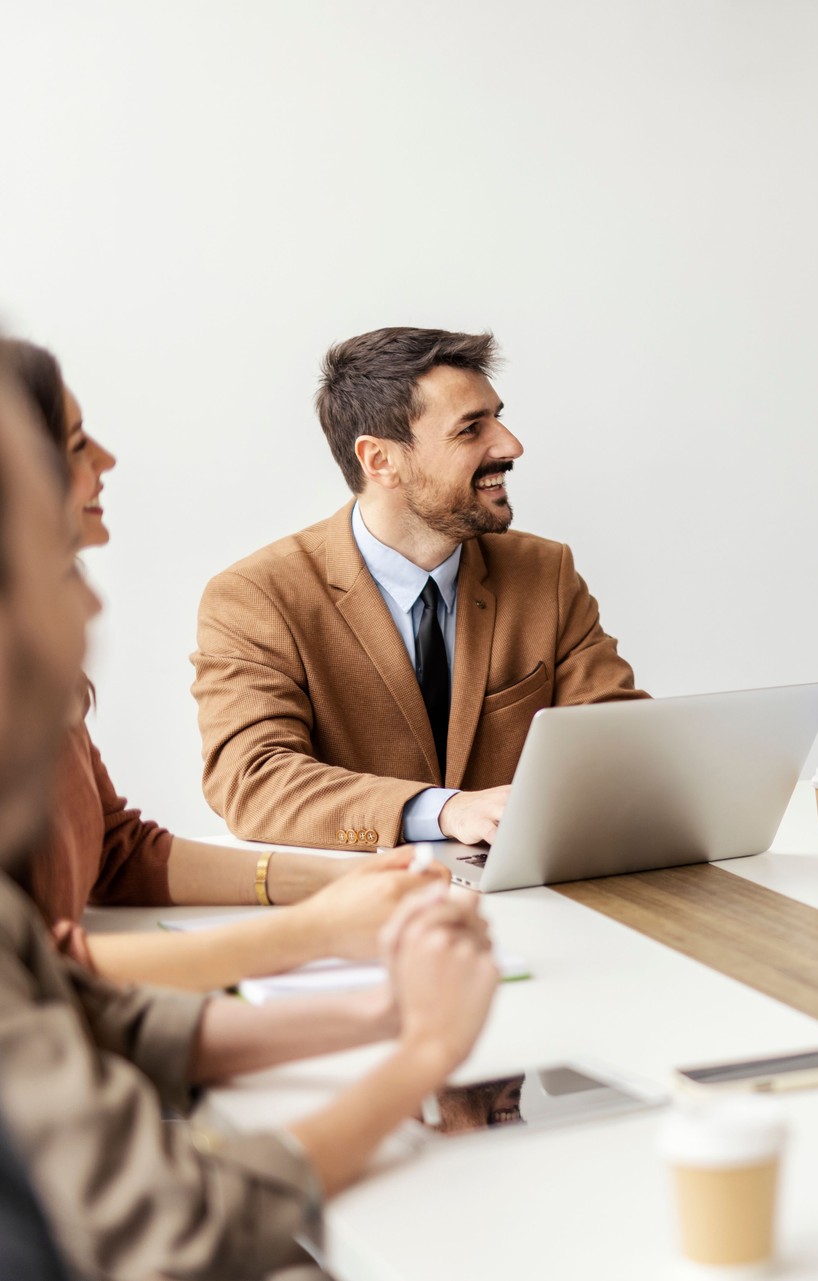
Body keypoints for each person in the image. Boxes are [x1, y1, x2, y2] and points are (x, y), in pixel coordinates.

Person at [0, 339, 501, 1279]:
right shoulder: (257, 592)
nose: (97, 611)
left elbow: (83, 971)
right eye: (73, 443)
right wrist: (412, 1035)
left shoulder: (538, 573)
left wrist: (377, 984)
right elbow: (177, 1226)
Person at [0, 338, 443, 993]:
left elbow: (117, 854)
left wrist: (349, 880)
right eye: (74, 445)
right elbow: (35, 974)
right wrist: (317, 931)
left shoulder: (35, 669)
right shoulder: (256, 594)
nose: (108, 459)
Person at [193, 328, 646, 850]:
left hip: (533, 891)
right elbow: (254, 780)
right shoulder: (258, 596)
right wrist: (445, 810)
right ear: (380, 460)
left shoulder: (545, 572)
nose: (510, 444)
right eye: (471, 429)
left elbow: (616, 738)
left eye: (497, 417)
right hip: (363, 905)